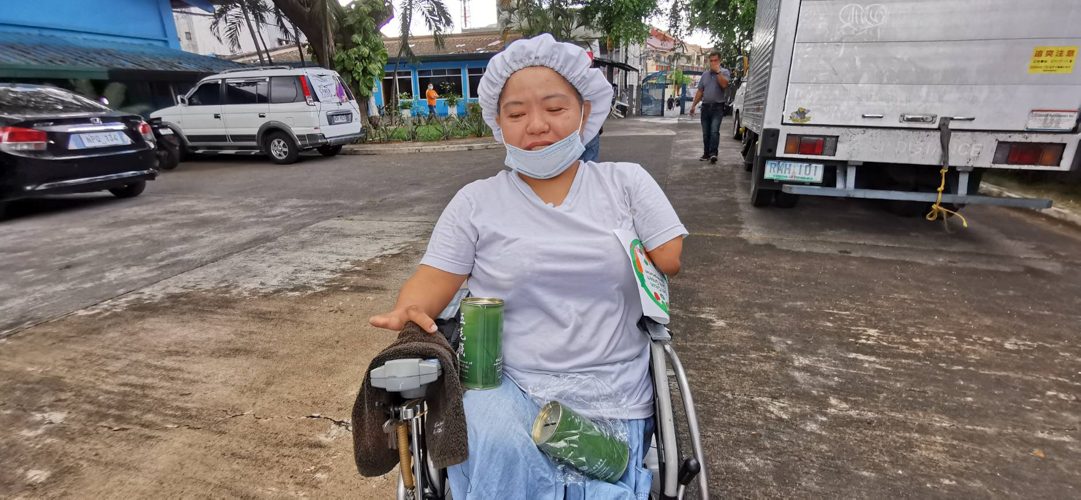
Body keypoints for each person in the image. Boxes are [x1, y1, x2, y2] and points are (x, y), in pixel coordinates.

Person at [369, 34, 687, 499]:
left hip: (611, 389)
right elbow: (429, 286)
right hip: (506, 383)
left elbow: (669, 259)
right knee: (497, 448)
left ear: (585, 112)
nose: (536, 125)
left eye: (555, 109)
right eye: (516, 113)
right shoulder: (476, 202)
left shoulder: (626, 184)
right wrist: (408, 311)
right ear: (498, 122)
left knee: (597, 484)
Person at [690, 52, 730, 164]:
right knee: (706, 133)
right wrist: (693, 106)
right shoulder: (705, 75)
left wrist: (718, 72)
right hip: (705, 107)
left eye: (715, 61)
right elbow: (700, 91)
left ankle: (713, 154)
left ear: (719, 61)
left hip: (718, 107)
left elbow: (724, 85)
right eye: (711, 61)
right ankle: (706, 153)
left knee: (714, 131)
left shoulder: (724, 72)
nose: (713, 63)